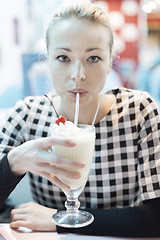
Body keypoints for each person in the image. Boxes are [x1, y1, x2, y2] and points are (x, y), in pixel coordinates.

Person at [0, 0, 160, 237]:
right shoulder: (27, 115)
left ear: (110, 62)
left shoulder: (139, 111)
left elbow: (155, 217)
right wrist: (13, 163)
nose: (77, 75)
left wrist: (59, 220)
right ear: (47, 59)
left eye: (93, 58)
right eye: (63, 58)